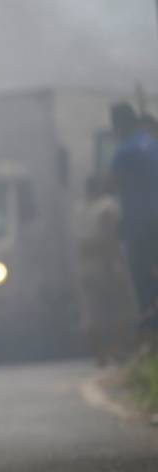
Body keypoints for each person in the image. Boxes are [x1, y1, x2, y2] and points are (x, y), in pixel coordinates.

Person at [75, 176, 137, 366]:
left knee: (93, 312)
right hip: (105, 263)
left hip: (85, 264)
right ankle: (118, 351)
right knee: (116, 309)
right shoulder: (107, 207)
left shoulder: (79, 209)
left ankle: (99, 355)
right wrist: (115, 262)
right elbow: (110, 234)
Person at [110, 102, 158, 339]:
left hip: (139, 224)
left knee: (142, 278)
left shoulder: (124, 151)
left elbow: (113, 184)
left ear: (119, 123)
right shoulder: (151, 143)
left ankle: (151, 327)